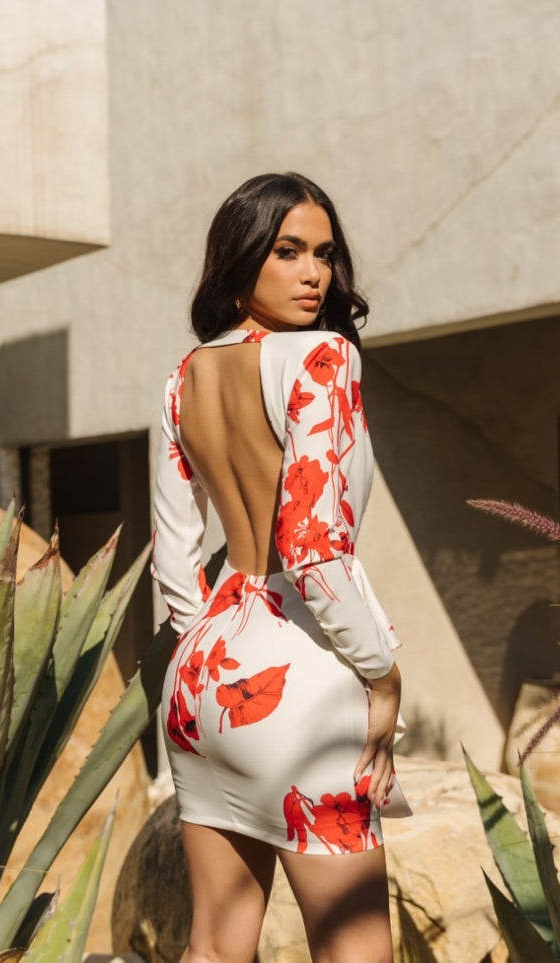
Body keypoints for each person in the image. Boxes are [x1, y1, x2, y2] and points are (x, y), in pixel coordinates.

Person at [151, 171, 410, 963]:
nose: (313, 273)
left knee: (215, 950)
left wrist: (220, 652)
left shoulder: (183, 377)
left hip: (203, 679)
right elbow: (312, 549)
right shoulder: (322, 358)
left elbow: (173, 560)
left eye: (324, 254)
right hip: (301, 678)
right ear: (240, 260)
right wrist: (382, 675)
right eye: (287, 250)